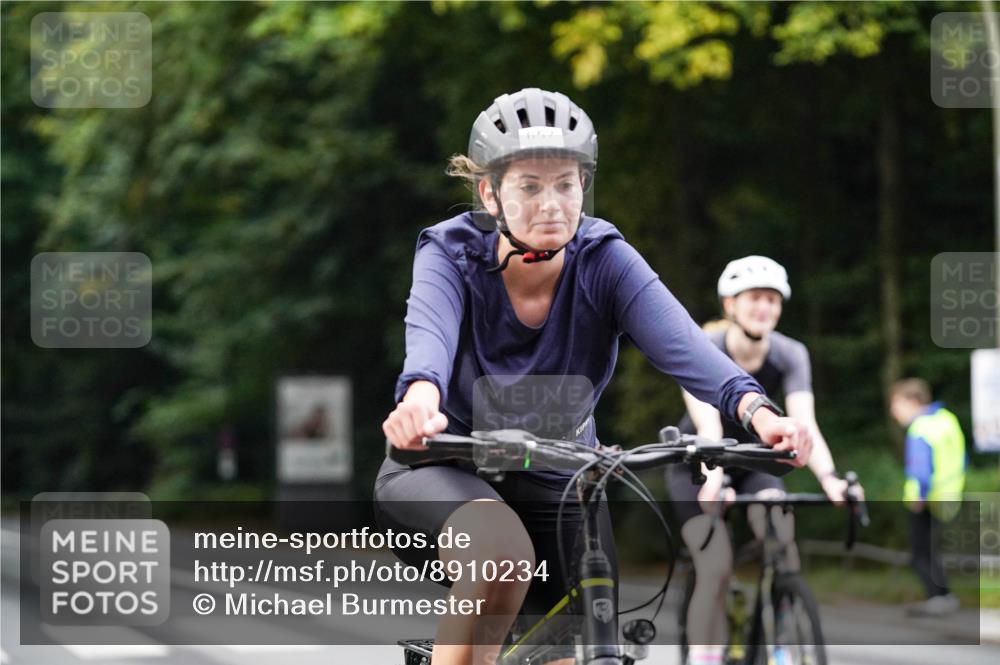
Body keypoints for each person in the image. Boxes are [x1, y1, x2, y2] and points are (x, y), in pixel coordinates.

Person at [374, 88, 814, 665]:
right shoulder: (450, 252)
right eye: (529, 186)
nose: (551, 202)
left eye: (566, 183)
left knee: (584, 629)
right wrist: (420, 399)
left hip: (562, 475)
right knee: (501, 557)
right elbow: (429, 334)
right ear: (491, 193)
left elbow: (685, 346)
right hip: (443, 462)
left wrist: (757, 411)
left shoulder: (604, 258)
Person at [666, 255, 861, 665]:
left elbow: (804, 424)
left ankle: (780, 640)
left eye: (773, 300)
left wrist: (830, 479)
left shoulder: (791, 354)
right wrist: (712, 479)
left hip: (755, 463)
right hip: (700, 462)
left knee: (782, 535)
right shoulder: (705, 347)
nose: (764, 308)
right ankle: (706, 658)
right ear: (730, 305)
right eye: (754, 298)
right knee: (715, 566)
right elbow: (708, 427)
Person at [889, 378, 966, 617]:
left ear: (912, 402)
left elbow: (920, 470)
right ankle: (945, 596)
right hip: (950, 495)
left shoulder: (920, 427)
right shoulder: (947, 419)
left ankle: (937, 597)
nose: (893, 411)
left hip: (928, 500)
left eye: (896, 404)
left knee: (921, 552)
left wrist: (919, 497)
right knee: (934, 550)